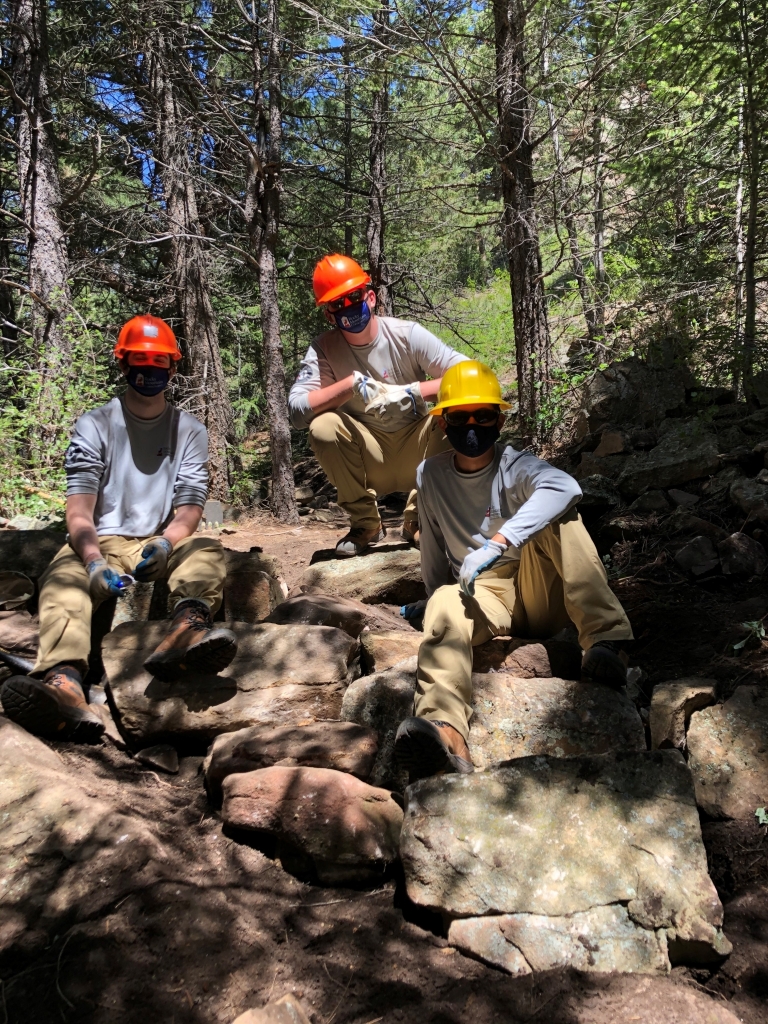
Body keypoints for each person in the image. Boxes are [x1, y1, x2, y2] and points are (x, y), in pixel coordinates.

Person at [0, 315, 237, 743]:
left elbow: (190, 507)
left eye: (158, 362)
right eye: (139, 361)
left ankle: (187, 630)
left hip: (164, 539)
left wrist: (166, 542)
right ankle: (65, 683)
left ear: (173, 367)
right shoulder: (95, 424)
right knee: (63, 578)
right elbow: (79, 510)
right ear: (124, 365)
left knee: (205, 548)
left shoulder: (189, 430)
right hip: (102, 542)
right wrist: (90, 560)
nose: (149, 371)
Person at [394, 360, 634, 780]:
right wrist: (435, 603)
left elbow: (565, 487)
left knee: (559, 515)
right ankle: (445, 731)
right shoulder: (430, 475)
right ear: (442, 421)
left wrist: (499, 542)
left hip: (538, 586)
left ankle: (606, 641)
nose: (472, 425)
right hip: (483, 597)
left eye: (483, 415)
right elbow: (432, 545)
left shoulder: (515, 465)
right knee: (447, 601)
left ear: (499, 419)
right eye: (460, 416)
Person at [288, 253, 468, 556]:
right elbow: (296, 411)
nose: (348, 307)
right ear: (329, 314)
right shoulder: (323, 349)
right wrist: (349, 385)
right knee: (323, 426)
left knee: (459, 413)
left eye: (354, 296)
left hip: (419, 445)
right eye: (337, 303)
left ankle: (418, 519)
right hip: (367, 453)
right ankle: (365, 524)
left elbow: (471, 376)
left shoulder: (407, 334)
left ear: (370, 297)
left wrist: (414, 391)